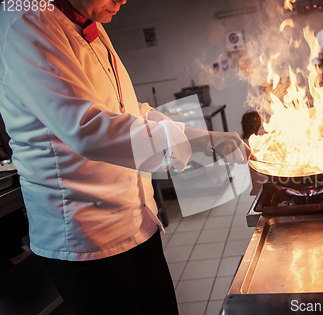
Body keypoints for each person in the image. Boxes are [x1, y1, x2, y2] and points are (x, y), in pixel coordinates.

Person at [0, 0, 252, 314]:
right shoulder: (25, 20)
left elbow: (128, 111)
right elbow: (88, 129)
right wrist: (189, 141)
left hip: (136, 220)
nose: (122, 0)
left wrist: (203, 138)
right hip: (87, 237)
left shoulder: (90, 20)